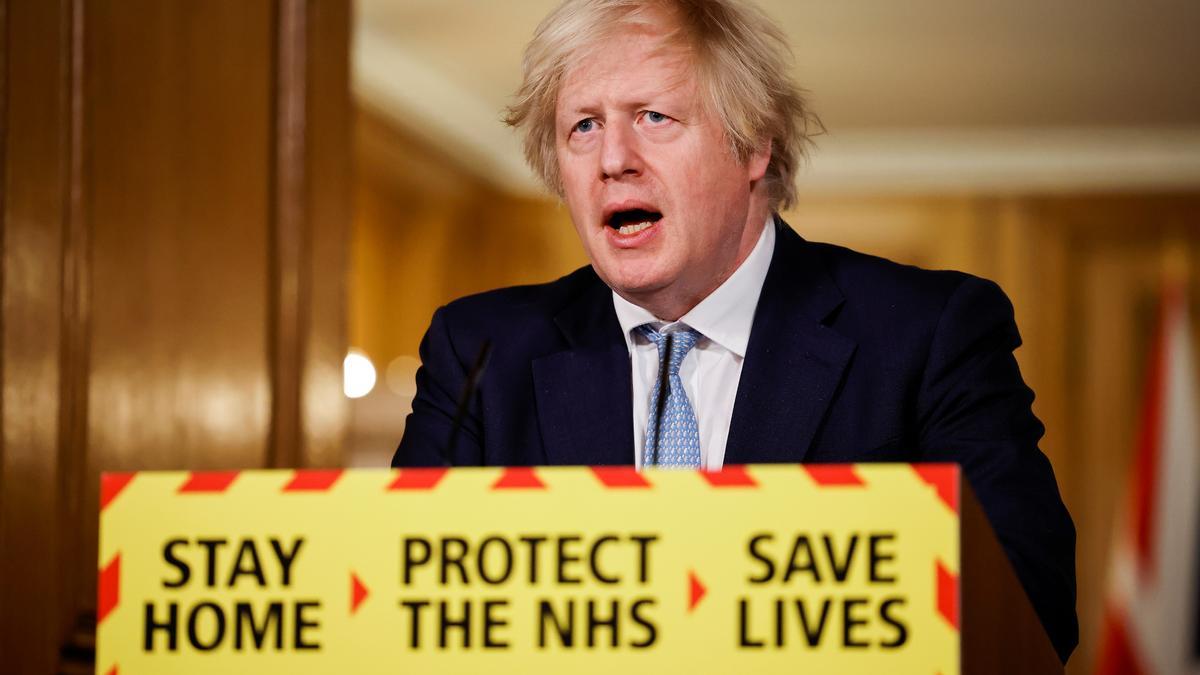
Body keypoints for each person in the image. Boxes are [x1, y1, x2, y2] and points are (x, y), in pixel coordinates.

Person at [393, 0, 1077, 662]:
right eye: (583, 127)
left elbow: (1028, 606)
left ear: (753, 145)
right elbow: (404, 612)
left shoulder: (929, 334)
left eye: (653, 116)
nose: (613, 159)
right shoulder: (478, 352)